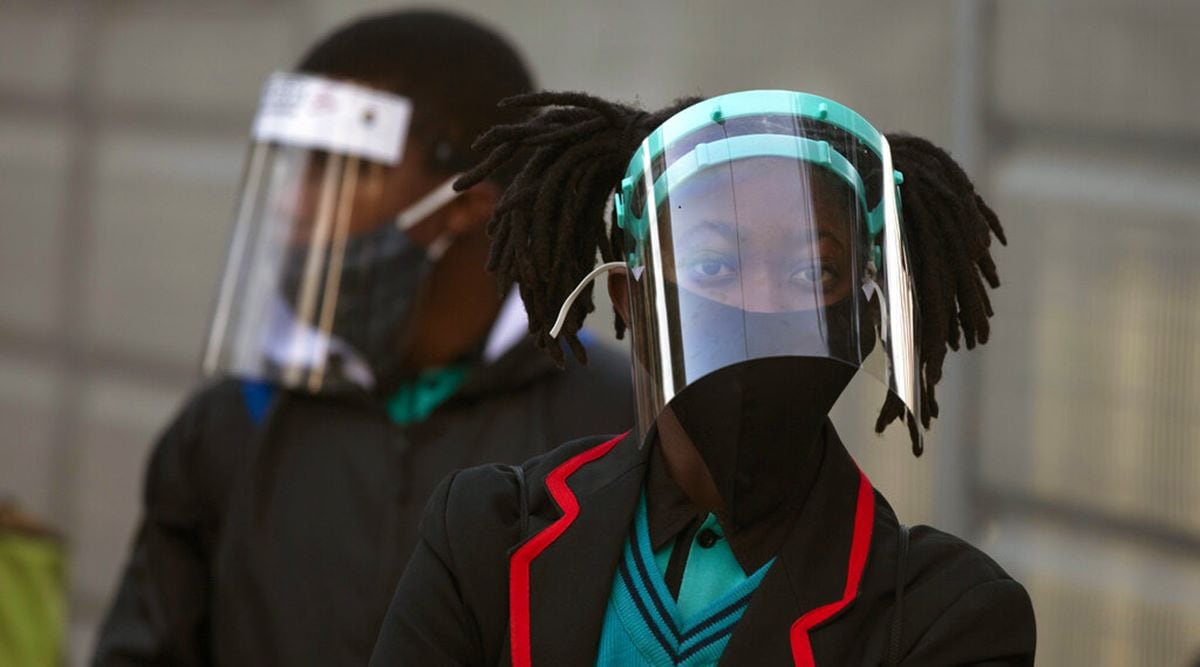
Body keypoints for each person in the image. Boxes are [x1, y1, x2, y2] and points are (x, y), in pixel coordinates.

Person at [370, 89, 1037, 665]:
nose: (763, 304)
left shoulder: (945, 613)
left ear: (864, 317)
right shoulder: (486, 537)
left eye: (813, 273)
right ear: (631, 300)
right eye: (714, 265)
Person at [93, 12, 633, 667]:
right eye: (295, 168)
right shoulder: (230, 425)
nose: (294, 205)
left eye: (335, 168)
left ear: (465, 201)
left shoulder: (613, 430)